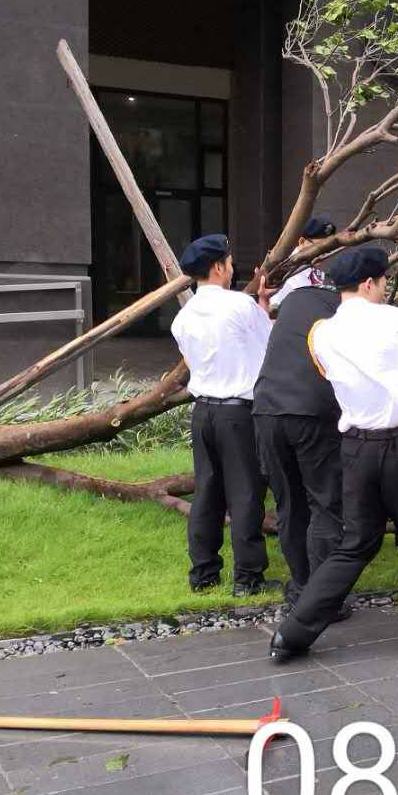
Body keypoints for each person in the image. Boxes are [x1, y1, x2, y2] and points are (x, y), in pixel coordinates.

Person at [267, 246, 398, 662]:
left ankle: (290, 635)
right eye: (383, 281)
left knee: (353, 544)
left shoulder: (321, 333)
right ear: (370, 283)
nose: (385, 288)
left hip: (356, 449)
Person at [169, 234, 275, 597]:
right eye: (229, 262)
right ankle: (248, 578)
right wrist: (263, 307)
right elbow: (270, 347)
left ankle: (203, 574)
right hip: (238, 413)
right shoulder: (240, 305)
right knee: (245, 493)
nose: (232, 268)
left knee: (207, 492)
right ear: (218, 267)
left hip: (203, 412)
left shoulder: (183, 317)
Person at [252, 254, 351, 619]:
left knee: (290, 503)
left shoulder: (293, 300)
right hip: (311, 412)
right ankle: (322, 600)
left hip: (266, 409)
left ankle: (300, 588)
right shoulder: (344, 310)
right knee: (325, 501)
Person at [270, 215, 337, 312]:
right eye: (320, 247)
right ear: (301, 242)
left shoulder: (314, 271)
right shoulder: (283, 271)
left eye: (329, 248)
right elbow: (274, 312)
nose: (324, 253)